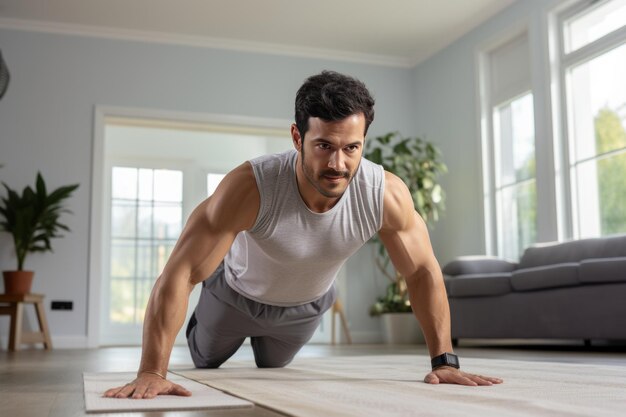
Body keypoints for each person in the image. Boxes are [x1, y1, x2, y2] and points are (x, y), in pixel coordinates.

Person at [104, 70, 502, 399]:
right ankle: (208, 324)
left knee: (272, 369)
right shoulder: (251, 186)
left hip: (304, 308)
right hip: (234, 295)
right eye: (324, 145)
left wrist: (444, 361)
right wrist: (152, 369)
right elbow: (181, 272)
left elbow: (422, 272)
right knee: (206, 360)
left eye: (351, 148)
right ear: (297, 137)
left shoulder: (384, 194)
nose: (337, 163)